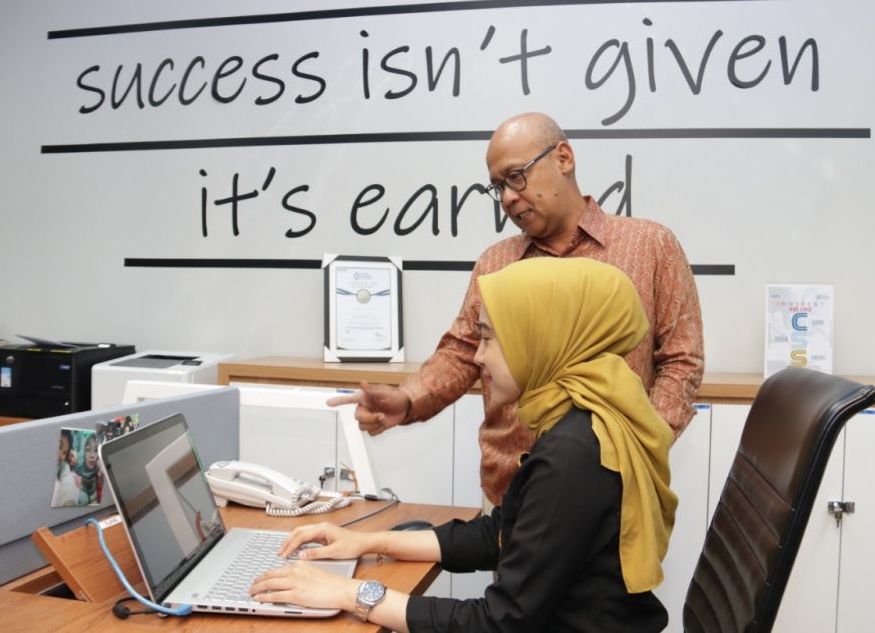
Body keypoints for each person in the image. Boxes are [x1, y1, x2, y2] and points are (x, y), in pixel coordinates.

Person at [252, 258, 677, 632]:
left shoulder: (572, 454)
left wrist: (350, 593)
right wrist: (368, 542)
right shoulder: (584, 420)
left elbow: (499, 622)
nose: (478, 357)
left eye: (489, 338)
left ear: (539, 337)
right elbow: (501, 534)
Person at [331, 112, 704, 504]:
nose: (508, 197)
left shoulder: (651, 246)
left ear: (563, 158)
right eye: (498, 187)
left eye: (516, 176)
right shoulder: (496, 264)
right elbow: (461, 353)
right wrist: (407, 399)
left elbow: (682, 360)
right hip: (511, 496)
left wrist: (641, 446)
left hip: (617, 495)